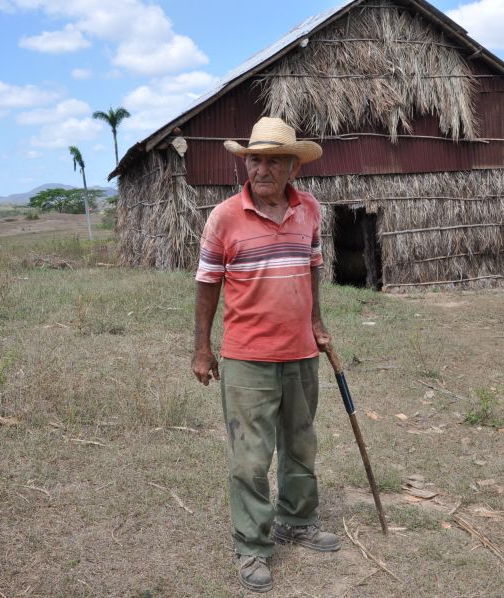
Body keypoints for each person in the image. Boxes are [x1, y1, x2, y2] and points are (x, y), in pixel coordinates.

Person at [192, 116, 341, 593]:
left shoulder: (310, 211)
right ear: (246, 164)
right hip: (246, 358)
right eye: (255, 159)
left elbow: (312, 268)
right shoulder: (224, 217)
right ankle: (252, 546)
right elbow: (207, 284)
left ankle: (296, 519)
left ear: (292, 168)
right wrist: (201, 347)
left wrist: (316, 321)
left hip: (301, 353)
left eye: (274, 160)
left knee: (300, 444)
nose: (262, 168)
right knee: (250, 459)